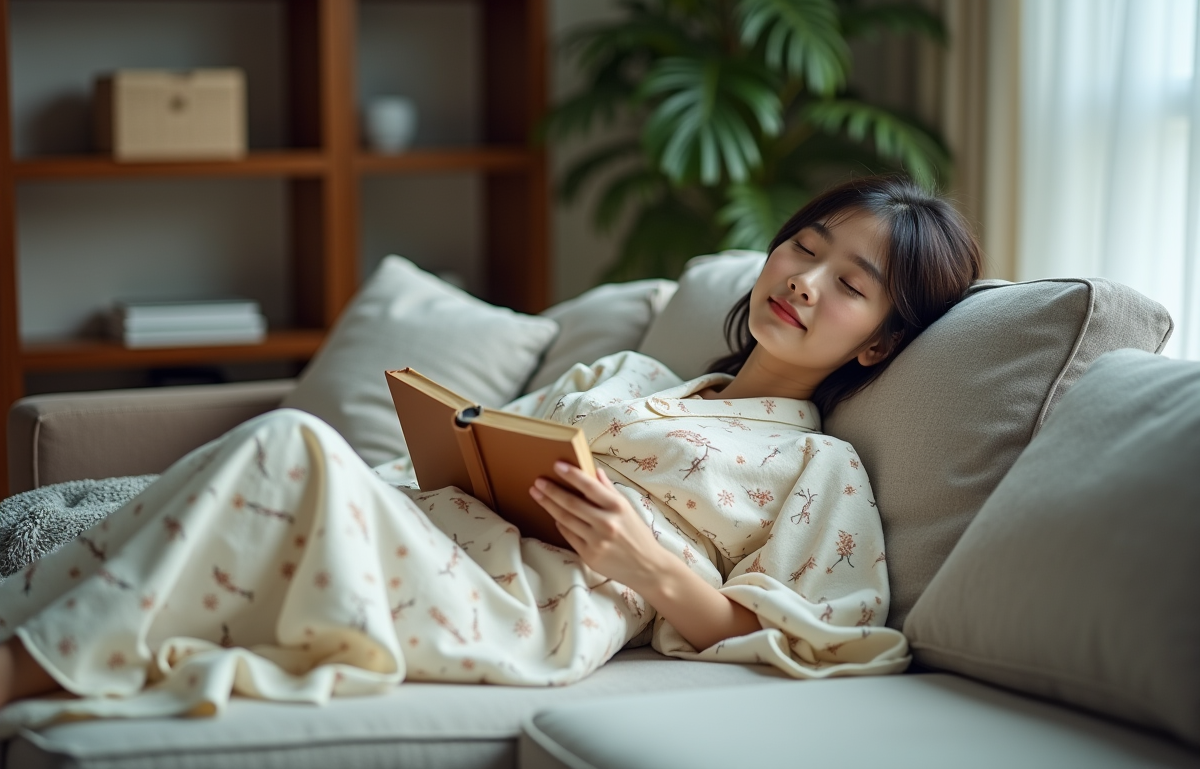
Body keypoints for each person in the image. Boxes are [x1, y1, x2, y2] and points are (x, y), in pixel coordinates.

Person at [0, 174, 981, 731]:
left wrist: (649, 564)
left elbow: (823, 638)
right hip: (436, 533)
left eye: (850, 283)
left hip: (530, 605)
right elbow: (483, 447)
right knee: (184, 484)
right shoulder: (628, 373)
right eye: (806, 246)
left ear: (878, 342)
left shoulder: (817, 468)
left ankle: (25, 668)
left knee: (288, 442)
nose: (806, 281)